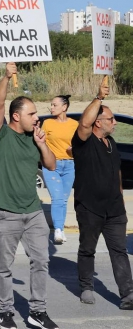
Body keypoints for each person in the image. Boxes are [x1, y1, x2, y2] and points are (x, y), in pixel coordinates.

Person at [0, 63, 58, 329]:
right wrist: (7, 76)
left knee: (41, 261)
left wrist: (42, 143)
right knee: (4, 266)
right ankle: (5, 312)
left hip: (33, 211)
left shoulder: (35, 138)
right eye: (32, 114)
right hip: (5, 212)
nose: (37, 117)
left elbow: (51, 165)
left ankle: (37, 312)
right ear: (16, 116)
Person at [71, 80, 133, 308]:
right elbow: (83, 125)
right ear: (97, 122)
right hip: (90, 207)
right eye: (111, 119)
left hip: (115, 209)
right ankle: (86, 286)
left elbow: (116, 172)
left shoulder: (112, 143)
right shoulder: (83, 143)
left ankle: (128, 295)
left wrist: (121, 200)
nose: (115, 123)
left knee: (119, 251)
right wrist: (99, 98)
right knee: (88, 249)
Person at [42, 95, 78, 245]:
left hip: (70, 165)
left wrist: (74, 148)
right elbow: (40, 142)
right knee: (57, 198)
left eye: (54, 105)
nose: (51, 107)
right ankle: (57, 229)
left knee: (63, 199)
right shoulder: (47, 123)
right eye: (51, 104)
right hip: (52, 165)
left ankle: (60, 229)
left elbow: (81, 143)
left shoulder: (75, 124)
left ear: (64, 107)